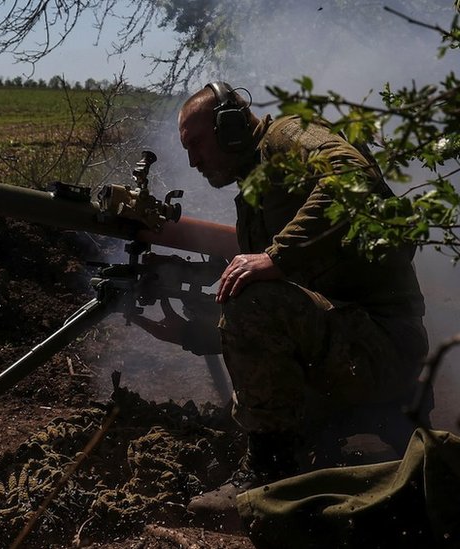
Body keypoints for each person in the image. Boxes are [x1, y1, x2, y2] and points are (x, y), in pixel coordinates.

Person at [174, 82, 429, 529]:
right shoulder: (256, 189)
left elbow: (353, 178)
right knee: (249, 298)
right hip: (351, 342)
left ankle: (269, 478)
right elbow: (273, 333)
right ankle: (307, 448)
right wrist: (187, 333)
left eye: (196, 143)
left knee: (253, 296)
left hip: (382, 346)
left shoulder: (287, 138)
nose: (193, 161)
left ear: (230, 127)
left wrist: (277, 256)